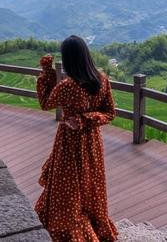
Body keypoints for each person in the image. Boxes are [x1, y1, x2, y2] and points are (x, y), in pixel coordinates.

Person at [34, 35, 119, 242]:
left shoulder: (67, 87)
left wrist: (46, 73)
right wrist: (87, 119)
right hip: (92, 142)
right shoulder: (102, 79)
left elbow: (45, 103)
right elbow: (109, 113)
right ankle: (95, 225)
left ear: (69, 60)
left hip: (69, 143)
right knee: (91, 184)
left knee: (67, 187)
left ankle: (73, 230)